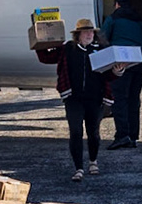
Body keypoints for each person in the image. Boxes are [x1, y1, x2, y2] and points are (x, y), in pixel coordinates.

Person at [34, 18, 105, 180]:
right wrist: (39, 41)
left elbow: (110, 75)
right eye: (85, 32)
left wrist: (119, 71)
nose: (89, 34)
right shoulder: (68, 49)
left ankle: (93, 161)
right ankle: (78, 168)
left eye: (91, 32)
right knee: (76, 131)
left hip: (95, 98)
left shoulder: (101, 49)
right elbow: (46, 58)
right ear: (78, 35)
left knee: (93, 133)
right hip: (73, 98)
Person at [100, 0, 142, 149]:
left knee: (119, 98)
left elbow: (103, 37)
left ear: (117, 4)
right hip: (139, 60)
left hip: (122, 61)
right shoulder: (139, 19)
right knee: (134, 99)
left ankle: (122, 135)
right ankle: (133, 136)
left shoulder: (113, 18)